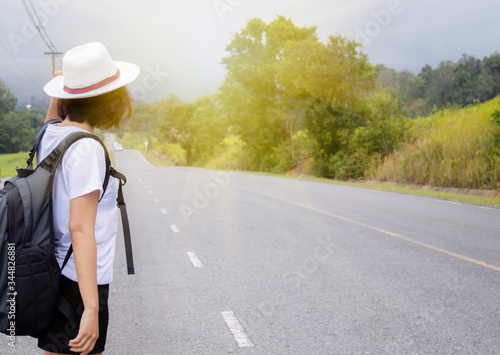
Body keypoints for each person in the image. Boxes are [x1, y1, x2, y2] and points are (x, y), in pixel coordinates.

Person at [36, 42, 139, 355]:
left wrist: (64, 84)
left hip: (53, 267)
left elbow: (52, 115)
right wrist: (91, 308)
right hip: (78, 279)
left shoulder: (50, 134)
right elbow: (81, 229)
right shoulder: (87, 148)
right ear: (110, 100)